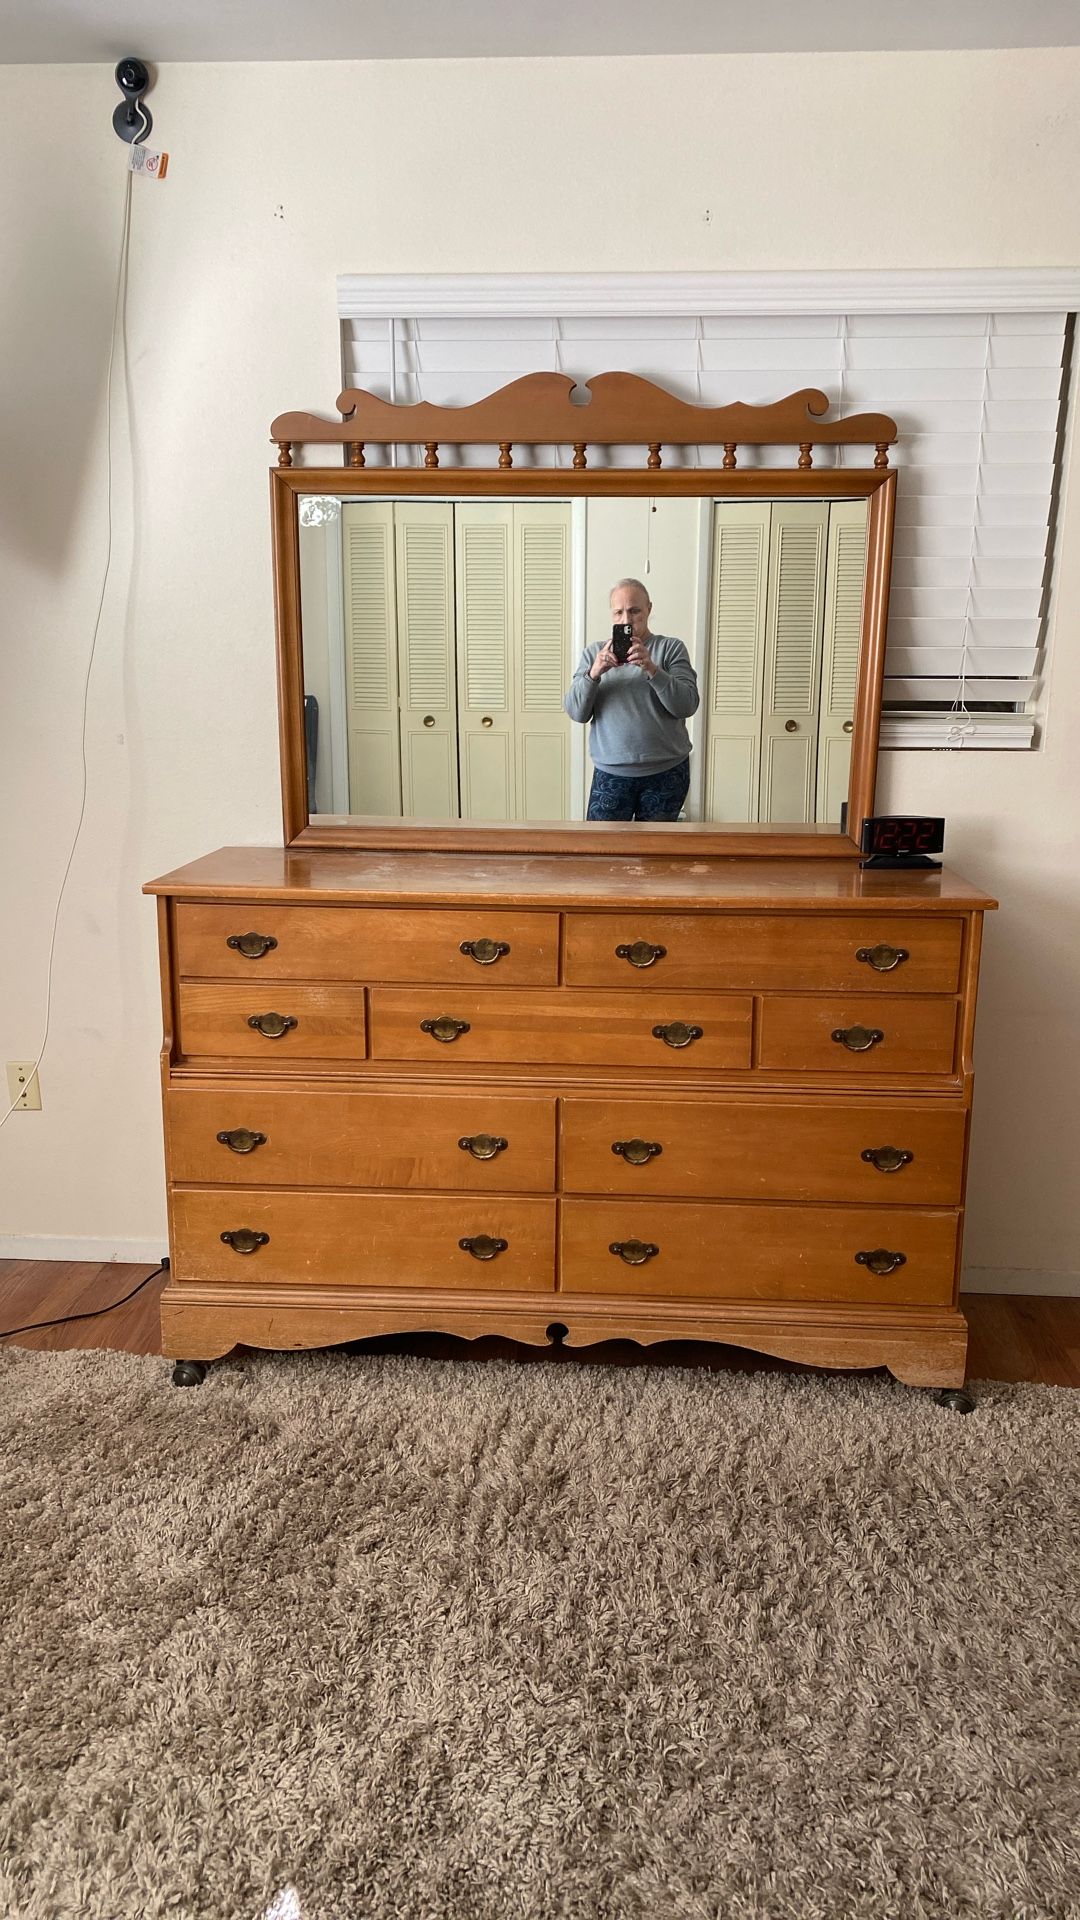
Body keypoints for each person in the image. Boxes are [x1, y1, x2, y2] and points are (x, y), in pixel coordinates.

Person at [564, 579, 700, 820]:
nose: (626, 620)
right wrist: (593, 674)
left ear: (649, 608)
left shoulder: (671, 648)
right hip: (611, 772)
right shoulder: (594, 653)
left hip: (666, 771)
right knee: (604, 843)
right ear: (612, 614)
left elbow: (687, 705)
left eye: (634, 610)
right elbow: (576, 712)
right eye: (619, 612)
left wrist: (652, 669)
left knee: (656, 844)